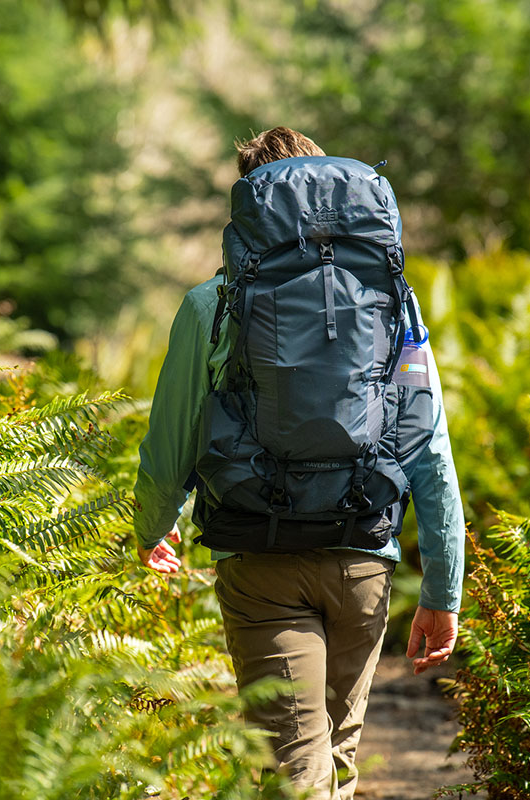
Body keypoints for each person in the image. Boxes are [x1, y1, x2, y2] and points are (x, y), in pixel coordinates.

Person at [132, 127, 466, 799]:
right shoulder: (393, 301)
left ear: (249, 205)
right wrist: (443, 588)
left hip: (263, 565)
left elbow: (170, 443)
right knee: (332, 762)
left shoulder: (212, 304)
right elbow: (427, 442)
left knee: (292, 770)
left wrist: (151, 526)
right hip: (363, 555)